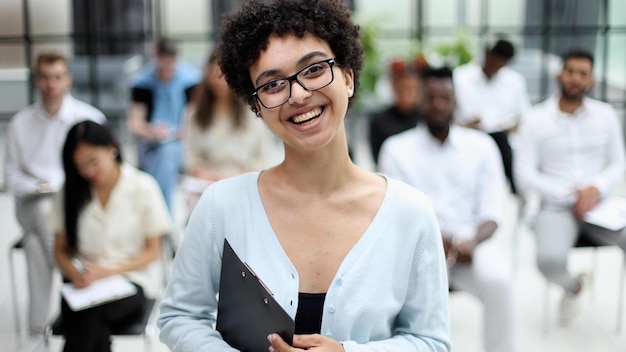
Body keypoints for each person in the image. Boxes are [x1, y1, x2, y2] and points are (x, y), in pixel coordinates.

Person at [158, 1, 451, 351]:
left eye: (313, 70)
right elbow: (180, 316)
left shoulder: (410, 213)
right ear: (256, 107)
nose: (297, 94)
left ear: (348, 78)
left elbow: (431, 342)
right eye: (273, 85)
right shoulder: (222, 206)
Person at [379, 67, 515, 352]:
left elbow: (492, 211)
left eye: (445, 98)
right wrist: (443, 242)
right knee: (384, 293)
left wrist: (471, 243)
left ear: (456, 102)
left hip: (471, 245)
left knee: (500, 280)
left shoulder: (482, 146)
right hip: (416, 249)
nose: (438, 104)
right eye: (431, 98)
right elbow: (397, 214)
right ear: (421, 101)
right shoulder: (396, 149)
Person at [514, 48, 626, 325]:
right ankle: (573, 287)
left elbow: (618, 164)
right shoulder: (535, 119)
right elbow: (523, 175)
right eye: (570, 71)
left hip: (600, 205)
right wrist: (570, 193)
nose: (575, 78)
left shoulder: (606, 115)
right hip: (556, 206)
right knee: (548, 261)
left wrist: (595, 189)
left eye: (583, 73)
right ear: (559, 75)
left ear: (592, 81)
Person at [3, 51, 105, 351]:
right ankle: (74, 276)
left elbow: (101, 171)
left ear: (67, 79)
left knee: (36, 245)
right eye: (45, 77)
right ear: (37, 80)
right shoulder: (21, 124)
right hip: (34, 203)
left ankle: (39, 329)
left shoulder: (87, 118)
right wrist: (37, 185)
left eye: (57, 77)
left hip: (75, 204)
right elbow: (10, 176)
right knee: (46, 210)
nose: (51, 84)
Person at [50, 120, 171, 351]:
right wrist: (74, 273)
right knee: (89, 316)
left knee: (87, 316)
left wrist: (108, 271)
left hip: (130, 281)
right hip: (83, 284)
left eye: (93, 161)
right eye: (80, 166)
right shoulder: (70, 191)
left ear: (111, 147)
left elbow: (153, 252)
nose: (88, 171)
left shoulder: (142, 187)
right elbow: (59, 251)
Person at [183, 51, 276, 210]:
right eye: (214, 74)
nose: (219, 81)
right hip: (208, 187)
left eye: (223, 75)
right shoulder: (194, 113)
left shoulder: (252, 111)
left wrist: (236, 178)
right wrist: (207, 174)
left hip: (246, 184)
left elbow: (263, 158)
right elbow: (191, 159)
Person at [127, 37, 201, 212]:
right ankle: (163, 216)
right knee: (164, 157)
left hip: (184, 143)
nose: (166, 72)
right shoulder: (142, 83)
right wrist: (150, 131)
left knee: (168, 155)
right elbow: (135, 123)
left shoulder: (190, 80)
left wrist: (178, 133)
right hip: (152, 144)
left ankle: (158, 212)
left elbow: (194, 120)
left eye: (170, 66)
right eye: (162, 66)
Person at [453, 38, 531, 194]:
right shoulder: (460, 76)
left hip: (504, 139)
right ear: (487, 54)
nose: (497, 64)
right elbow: (449, 116)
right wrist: (464, 125)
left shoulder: (514, 81)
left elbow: (525, 117)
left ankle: (515, 193)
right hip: (468, 137)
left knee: (502, 142)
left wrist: (512, 127)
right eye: (494, 59)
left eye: (502, 62)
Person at [368, 58, 423, 165]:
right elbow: (378, 160)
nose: (408, 94)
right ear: (394, 87)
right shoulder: (379, 121)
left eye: (412, 89)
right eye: (403, 89)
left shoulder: (425, 118)